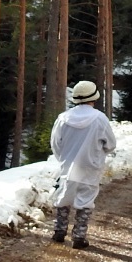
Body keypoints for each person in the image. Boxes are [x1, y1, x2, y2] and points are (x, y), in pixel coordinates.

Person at [50, 80, 117, 250]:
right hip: (90, 167)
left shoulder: (63, 118)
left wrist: (64, 157)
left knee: (63, 196)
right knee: (85, 201)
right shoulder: (100, 118)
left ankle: (59, 231)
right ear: (94, 97)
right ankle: (79, 236)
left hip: (67, 166)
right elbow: (110, 144)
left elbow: (55, 144)